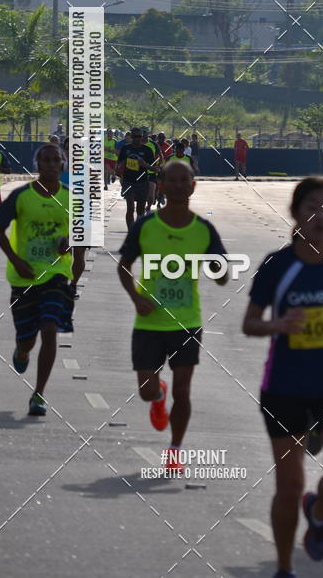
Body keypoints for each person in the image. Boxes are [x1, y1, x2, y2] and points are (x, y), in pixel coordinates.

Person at [242, 177, 323, 578]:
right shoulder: (277, 265)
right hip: (285, 389)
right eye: (313, 207)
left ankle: (317, 511)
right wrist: (279, 324)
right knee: (288, 484)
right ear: (297, 215)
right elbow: (250, 323)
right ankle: (284, 568)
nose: (322, 215)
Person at [118, 159, 228, 469]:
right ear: (161, 186)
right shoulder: (146, 225)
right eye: (172, 180)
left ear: (194, 185)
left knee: (183, 389)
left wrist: (219, 268)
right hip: (149, 322)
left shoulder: (204, 229)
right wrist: (136, 297)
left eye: (185, 180)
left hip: (187, 322)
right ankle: (157, 395)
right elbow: (124, 266)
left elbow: (221, 272)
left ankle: (175, 450)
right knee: (146, 391)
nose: (179, 185)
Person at [0, 143, 85, 416]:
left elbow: (81, 241)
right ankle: (22, 351)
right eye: (45, 160)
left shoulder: (73, 200)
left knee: (49, 328)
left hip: (57, 275)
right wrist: (16, 260)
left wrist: (70, 253)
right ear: (38, 164)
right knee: (27, 339)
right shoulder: (21, 196)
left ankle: (39, 394)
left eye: (55, 160)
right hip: (24, 277)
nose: (50, 165)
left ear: (63, 165)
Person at [116, 128, 155, 229]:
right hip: (128, 181)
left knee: (140, 210)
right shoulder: (125, 149)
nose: (136, 139)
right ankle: (130, 233)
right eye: (134, 136)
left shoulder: (147, 150)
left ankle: (137, 230)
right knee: (130, 207)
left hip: (142, 182)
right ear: (131, 137)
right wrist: (122, 164)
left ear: (142, 137)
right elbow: (119, 163)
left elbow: (156, 169)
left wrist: (145, 165)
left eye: (139, 136)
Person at [141, 127, 162, 212]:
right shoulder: (136, 144)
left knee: (151, 193)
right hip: (138, 172)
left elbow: (160, 157)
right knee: (141, 193)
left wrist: (159, 165)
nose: (143, 135)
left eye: (145, 133)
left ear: (148, 134)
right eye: (142, 134)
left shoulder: (154, 144)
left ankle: (148, 206)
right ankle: (141, 206)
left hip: (151, 171)